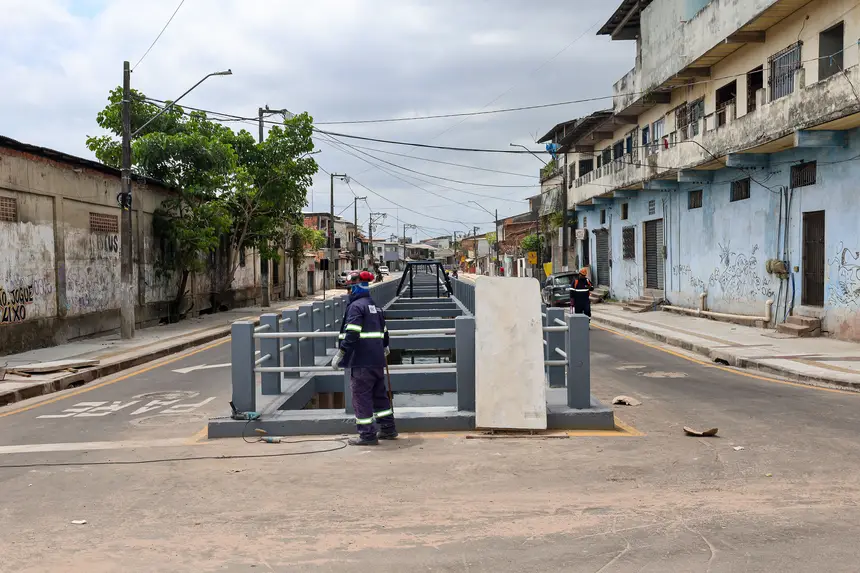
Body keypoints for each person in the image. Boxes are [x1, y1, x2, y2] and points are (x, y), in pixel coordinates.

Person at [334, 270, 397, 446]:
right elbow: (384, 332)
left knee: (361, 398)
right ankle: (388, 429)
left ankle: (367, 435)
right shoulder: (374, 306)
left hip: (361, 361)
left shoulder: (356, 307)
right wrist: (384, 346)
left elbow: (352, 333)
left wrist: (341, 352)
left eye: (349, 289)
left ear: (354, 288)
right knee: (380, 396)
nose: (348, 292)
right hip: (377, 360)